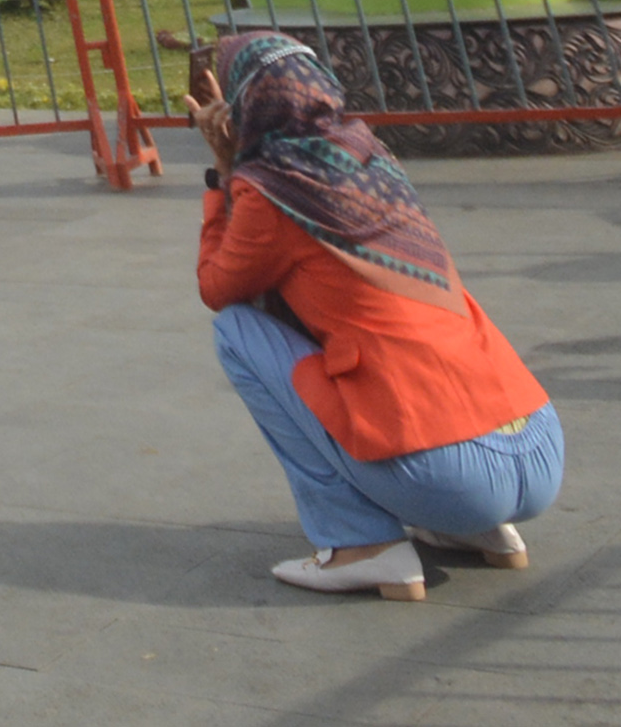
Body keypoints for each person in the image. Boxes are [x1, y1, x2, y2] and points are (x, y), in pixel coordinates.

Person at [192, 30, 561, 602]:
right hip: (539, 451)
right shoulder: (374, 158)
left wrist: (224, 171)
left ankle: (361, 544)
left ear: (246, 106)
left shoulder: (272, 192)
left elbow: (218, 286)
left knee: (237, 332)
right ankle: (481, 530)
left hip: (448, 473)